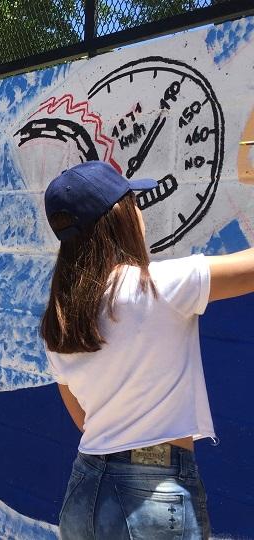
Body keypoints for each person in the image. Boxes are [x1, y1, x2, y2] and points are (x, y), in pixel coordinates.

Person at [41, 160, 254, 539]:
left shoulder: (61, 318)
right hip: (153, 493)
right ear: (120, 216)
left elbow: (82, 416)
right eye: (134, 203)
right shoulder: (160, 285)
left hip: (86, 488)